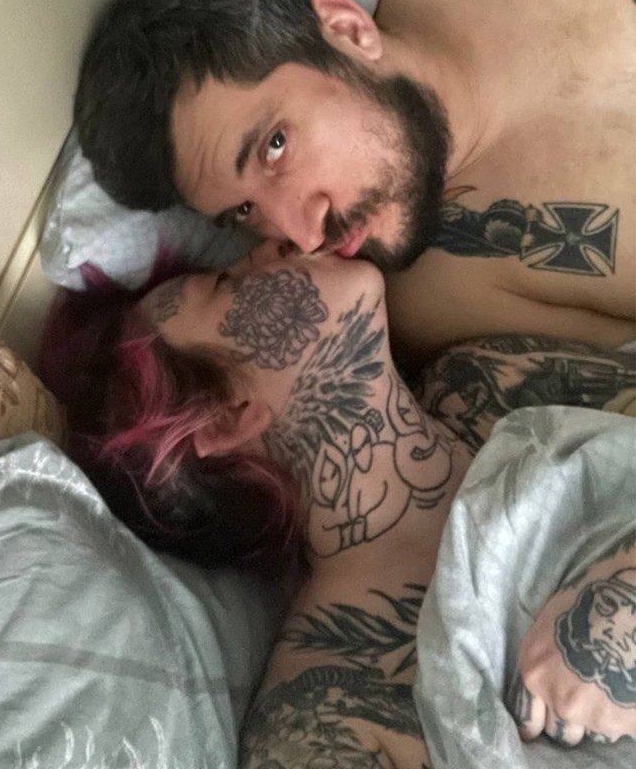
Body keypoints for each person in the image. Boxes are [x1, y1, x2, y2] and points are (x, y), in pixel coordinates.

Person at [39, 241, 636, 763]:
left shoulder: (484, 378)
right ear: (226, 416)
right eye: (225, 282)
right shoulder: (324, 715)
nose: (278, 242)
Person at [74, 0, 636, 369]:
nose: (304, 235)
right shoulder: (444, 302)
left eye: (275, 146)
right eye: (243, 213)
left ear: (347, 30)